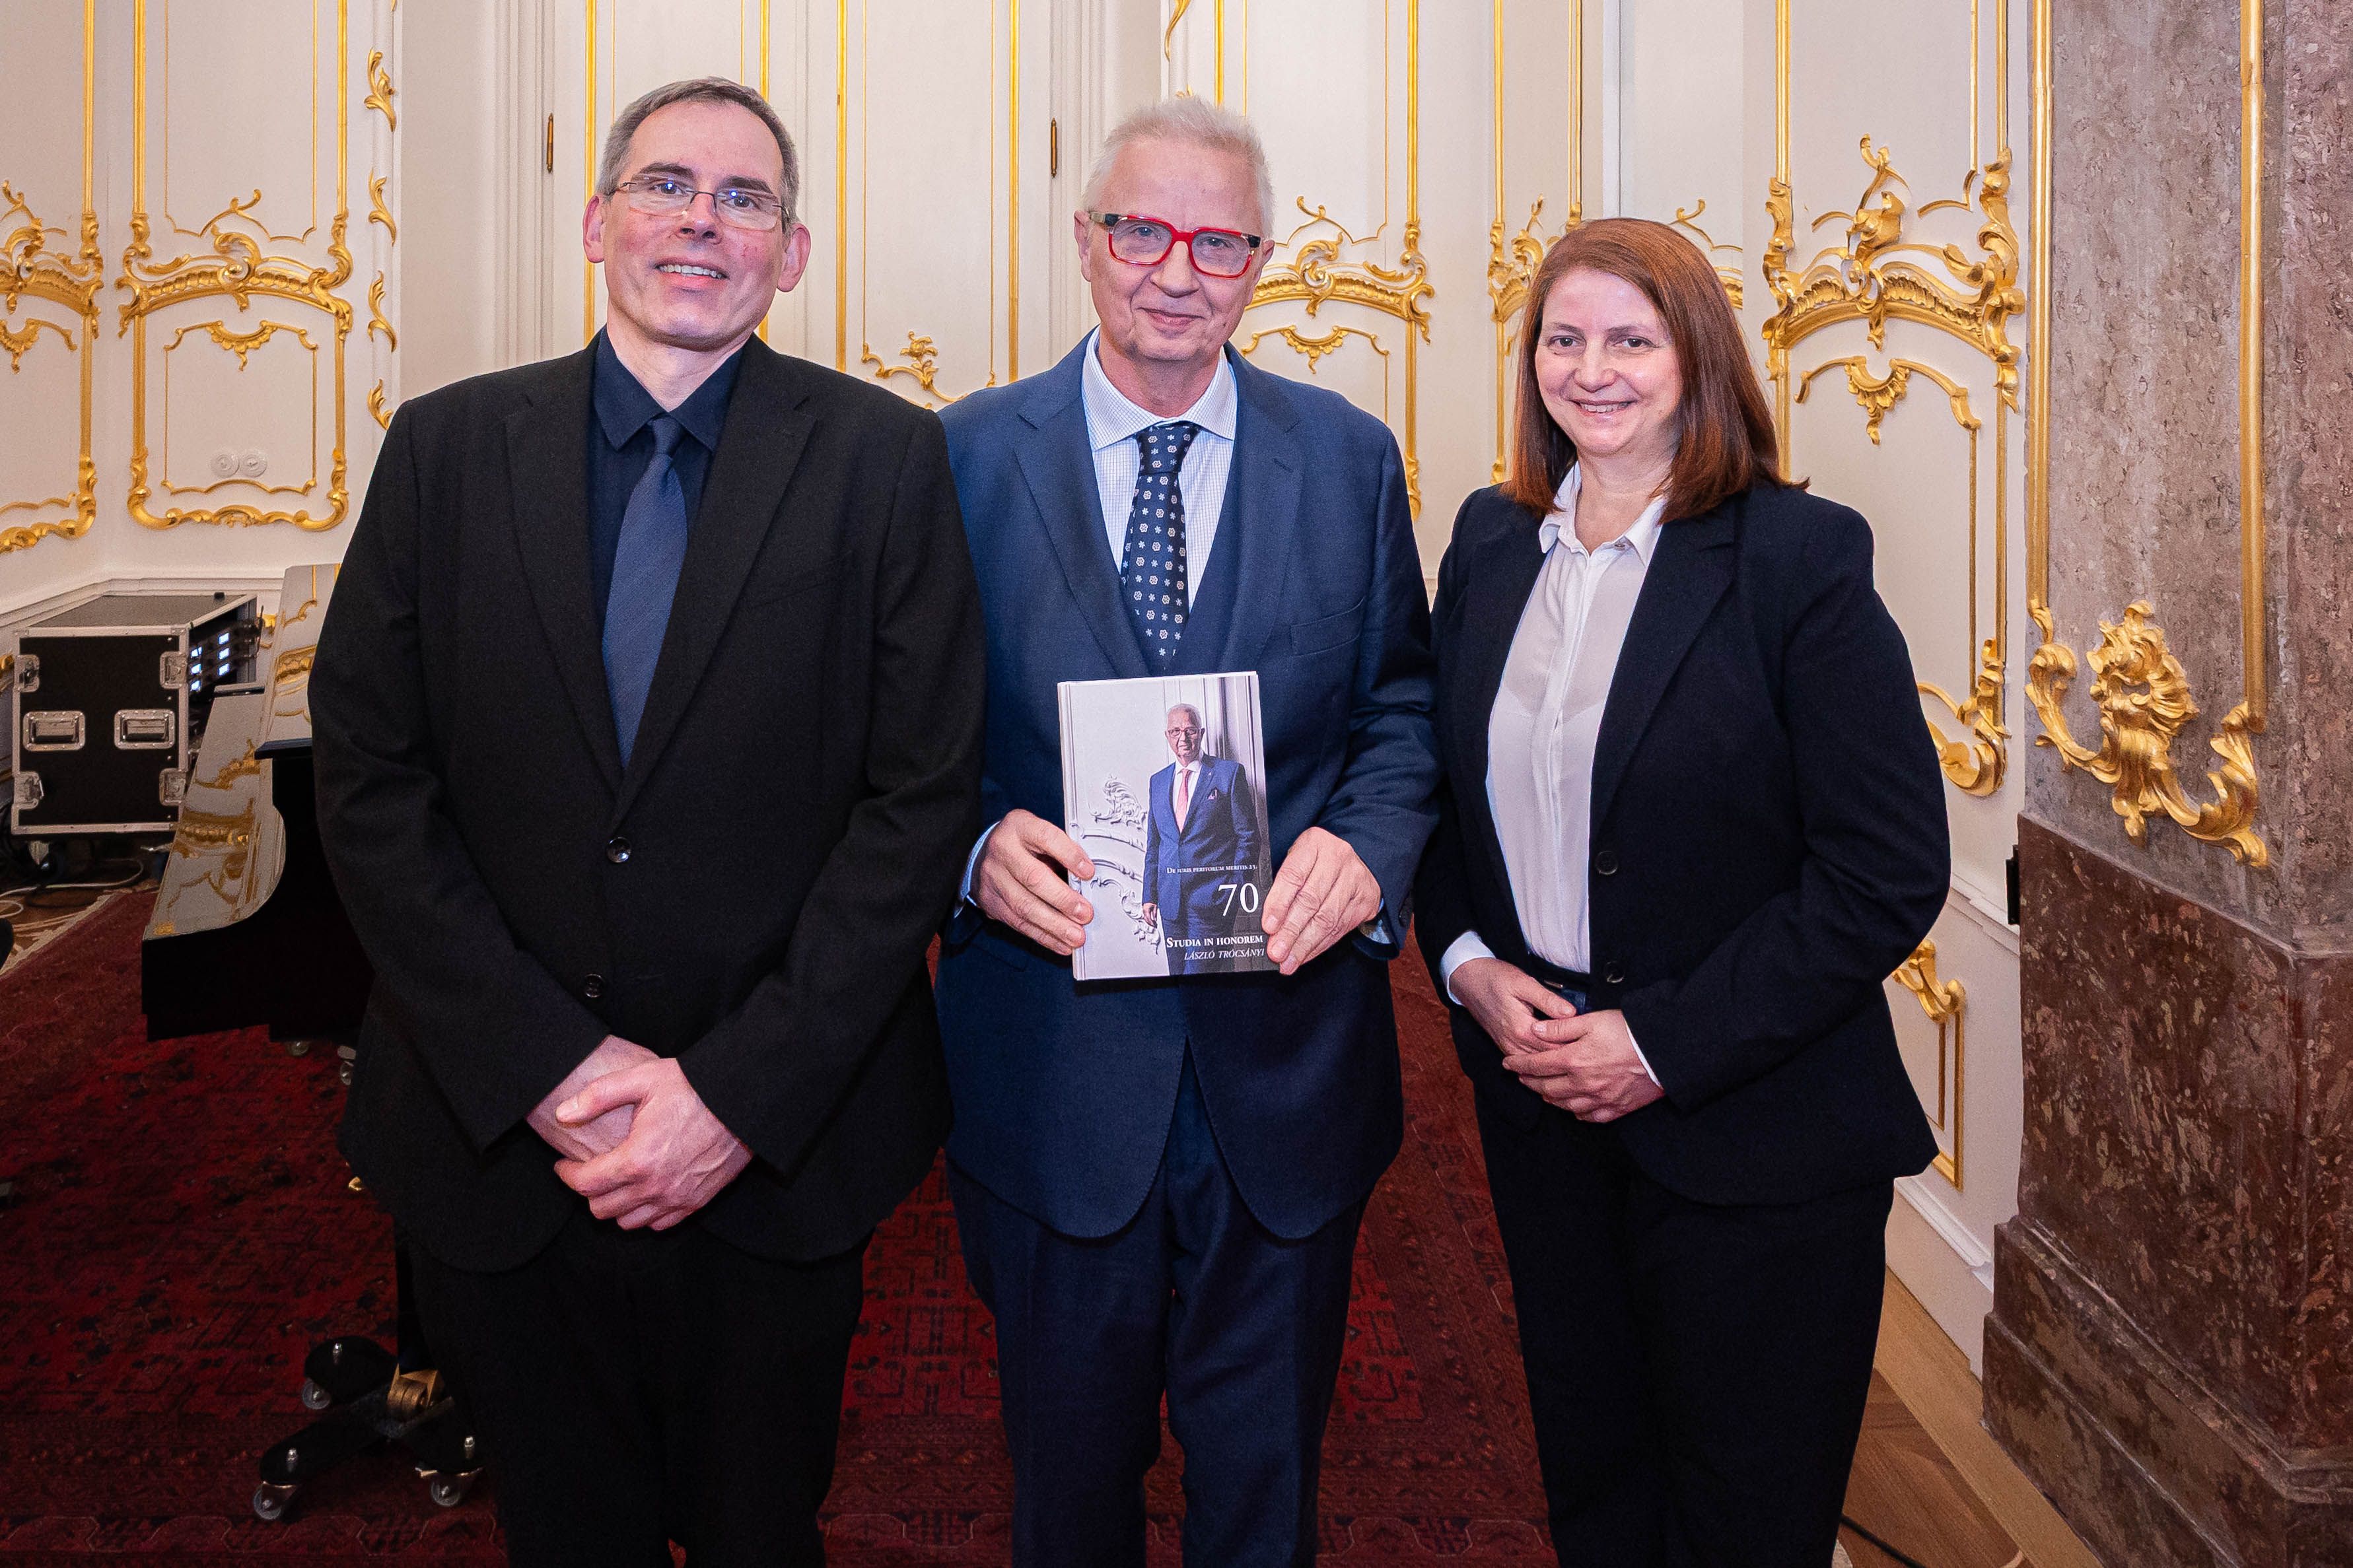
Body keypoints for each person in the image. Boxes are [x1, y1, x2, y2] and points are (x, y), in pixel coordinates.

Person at [310, 77, 983, 1567]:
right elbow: (369, 776)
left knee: (760, 1530)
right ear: (595, 221)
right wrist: (544, 1061)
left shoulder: (885, 459)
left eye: (744, 199)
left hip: (778, 1143)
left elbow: (919, 796)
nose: (701, 222)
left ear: (791, 254)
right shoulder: (443, 449)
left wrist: (731, 1094)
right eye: (666, 185)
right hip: (504, 1143)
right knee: (564, 1535)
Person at [933, 97, 1438, 1565]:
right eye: (1140, 230)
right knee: (1064, 1491)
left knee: (1262, 1492)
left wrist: (1367, 847)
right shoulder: (958, 457)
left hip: (1285, 1073)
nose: (1175, 270)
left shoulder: (1346, 458)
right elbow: (896, 741)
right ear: (1084, 241)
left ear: (1260, 262)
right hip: (1048, 1073)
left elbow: (1401, 714)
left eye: (1217, 241)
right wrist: (971, 847)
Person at [1413, 217, 1950, 1567]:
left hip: (1752, 1128)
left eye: (1628, 340)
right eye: (1563, 338)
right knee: (1592, 1471)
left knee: (1743, 1509)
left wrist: (1657, 1042)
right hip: (1540, 1102)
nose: (1589, 369)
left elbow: (1881, 869)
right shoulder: (1490, 541)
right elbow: (1441, 795)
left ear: (1696, 357)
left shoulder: (1794, 558)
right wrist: (1467, 962)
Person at [1141, 701, 1263, 975]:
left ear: (1202, 733)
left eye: (1190, 730)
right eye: (1175, 731)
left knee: (1197, 980)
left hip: (1213, 904)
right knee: (1178, 980)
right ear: (1167, 736)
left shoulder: (1228, 774)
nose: (1183, 738)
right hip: (1170, 904)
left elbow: (1248, 837)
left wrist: (1233, 890)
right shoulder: (1157, 782)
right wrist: (1150, 894)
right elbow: (1155, 845)